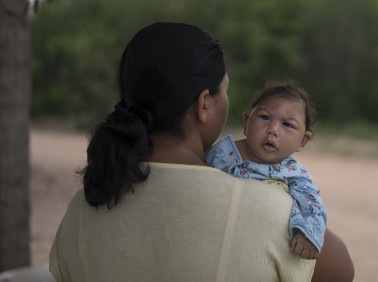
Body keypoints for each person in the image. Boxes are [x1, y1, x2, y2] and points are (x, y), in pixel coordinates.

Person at [48, 22, 354, 281]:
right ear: (204, 103)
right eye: (227, 91)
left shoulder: (84, 205)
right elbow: (343, 271)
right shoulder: (269, 211)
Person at [206, 81, 325, 260]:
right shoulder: (221, 151)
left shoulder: (293, 174)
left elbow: (311, 203)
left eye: (287, 125)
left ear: (302, 141)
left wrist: (307, 233)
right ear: (246, 122)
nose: (273, 130)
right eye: (265, 117)